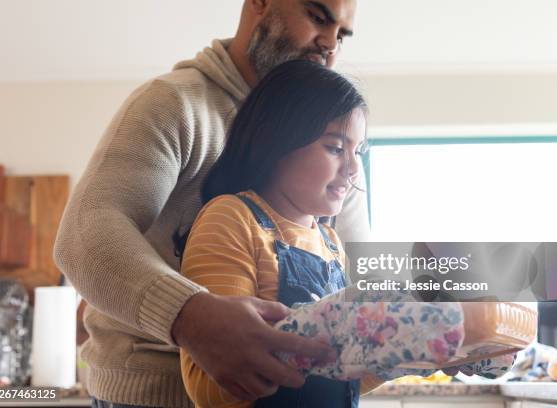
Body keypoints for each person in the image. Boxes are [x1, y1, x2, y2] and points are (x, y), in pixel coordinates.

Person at [53, 1, 367, 407]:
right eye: (318, 17)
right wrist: (190, 316)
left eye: (341, 35)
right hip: (151, 396)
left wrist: (439, 327)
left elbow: (359, 274)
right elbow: (85, 232)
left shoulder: (333, 152)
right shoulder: (174, 103)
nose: (330, 44)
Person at [178, 60, 515, 408]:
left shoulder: (330, 244)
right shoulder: (231, 218)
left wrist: (408, 352)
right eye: (336, 148)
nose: (354, 169)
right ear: (277, 141)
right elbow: (210, 388)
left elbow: (346, 378)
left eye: (358, 152)